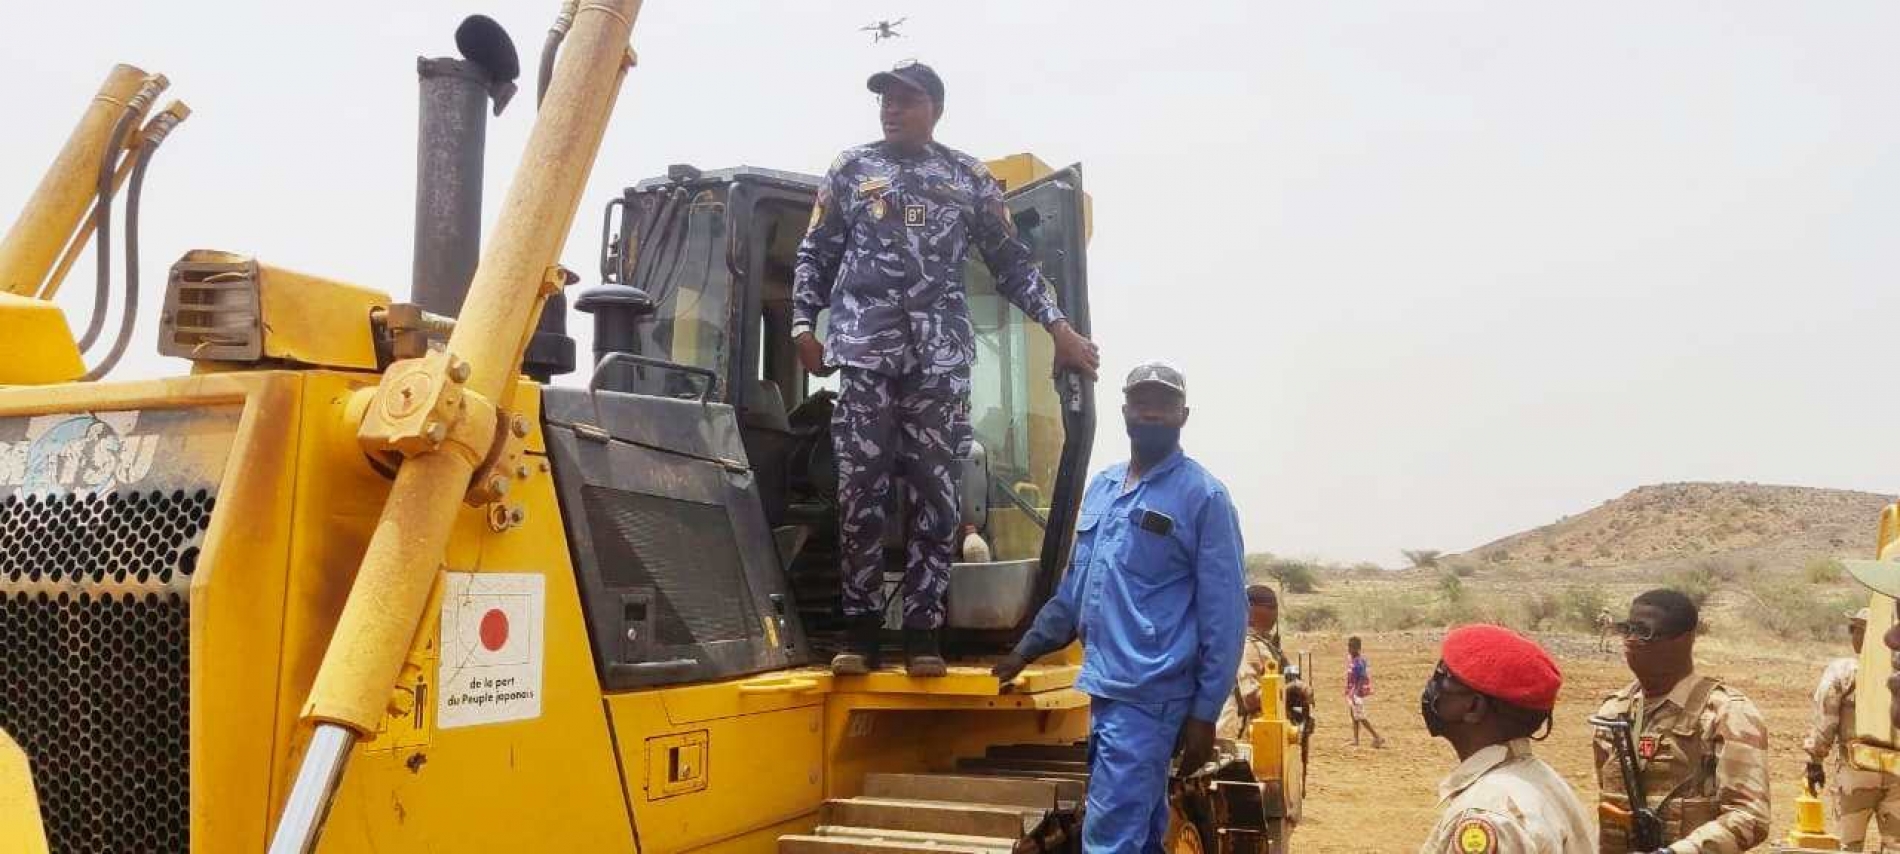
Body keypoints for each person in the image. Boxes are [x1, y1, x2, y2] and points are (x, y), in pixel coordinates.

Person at [793, 60, 1101, 676]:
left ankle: (922, 636)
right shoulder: (851, 169)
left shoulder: (969, 179)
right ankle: (860, 633)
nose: (890, 109)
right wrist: (804, 325)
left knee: (938, 494)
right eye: (884, 98)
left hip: (937, 361)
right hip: (864, 356)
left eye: (905, 99)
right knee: (860, 492)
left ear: (934, 108)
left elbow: (1013, 263)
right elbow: (815, 252)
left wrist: (1059, 327)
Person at [990, 361, 1245, 853]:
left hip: (1152, 694)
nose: (1151, 414)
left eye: (1164, 406)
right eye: (1142, 404)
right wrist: (1026, 649)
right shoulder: (1103, 488)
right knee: (1141, 833)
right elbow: (1076, 590)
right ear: (1125, 412)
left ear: (1183, 415)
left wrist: (1205, 713)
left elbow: (1225, 616)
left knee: (1109, 839)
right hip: (1107, 687)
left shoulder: (1204, 497)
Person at [1592, 589, 1769, 853]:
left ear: (1683, 640)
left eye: (1644, 632)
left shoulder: (1726, 713)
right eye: (1626, 629)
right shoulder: (1614, 712)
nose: (1630, 640)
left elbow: (1750, 816)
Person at [1418, 624, 1595, 853]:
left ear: (1473, 707)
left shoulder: (1487, 813)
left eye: (1443, 675)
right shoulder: (1541, 778)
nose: (1433, 685)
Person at [1803, 608, 1900, 849]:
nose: (1851, 635)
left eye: (1853, 629)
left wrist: (1815, 761)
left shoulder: (1844, 671)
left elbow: (1826, 720)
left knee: (1849, 846)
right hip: (1898, 772)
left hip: (1856, 772)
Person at [1217, 585, 1310, 741]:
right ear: (1252, 609)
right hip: (1244, 740)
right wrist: (1289, 689)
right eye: (1270, 607)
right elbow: (1251, 699)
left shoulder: (1267, 645)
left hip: (1266, 736)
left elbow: (1287, 675)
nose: (1275, 613)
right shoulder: (1247, 646)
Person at [1345, 636, 1386, 749]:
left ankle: (1377, 737)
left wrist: (1356, 692)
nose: (1349, 649)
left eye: (1351, 647)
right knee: (1354, 715)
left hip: (1356, 693)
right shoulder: (1352, 660)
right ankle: (1356, 740)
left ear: (1357, 649)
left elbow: (1362, 677)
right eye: (1348, 647)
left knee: (1360, 716)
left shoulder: (1359, 662)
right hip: (1351, 692)